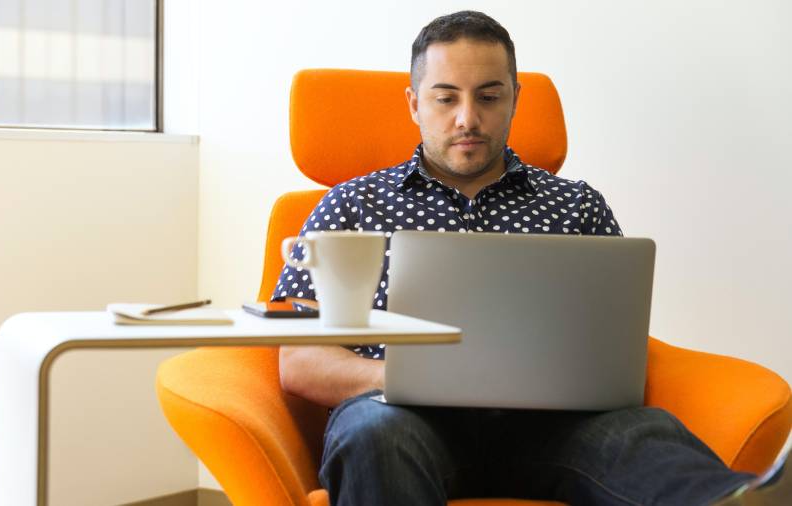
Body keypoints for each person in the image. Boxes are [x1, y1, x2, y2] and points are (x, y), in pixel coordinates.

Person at [272, 10, 789, 506]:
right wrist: (400, 377)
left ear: (516, 98)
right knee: (374, 434)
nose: (467, 118)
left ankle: (739, 500)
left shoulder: (577, 205)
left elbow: (618, 343)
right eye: (445, 98)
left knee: (643, 434)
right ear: (413, 103)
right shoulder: (350, 204)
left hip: (557, 428)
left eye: (489, 96)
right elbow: (298, 361)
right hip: (401, 417)